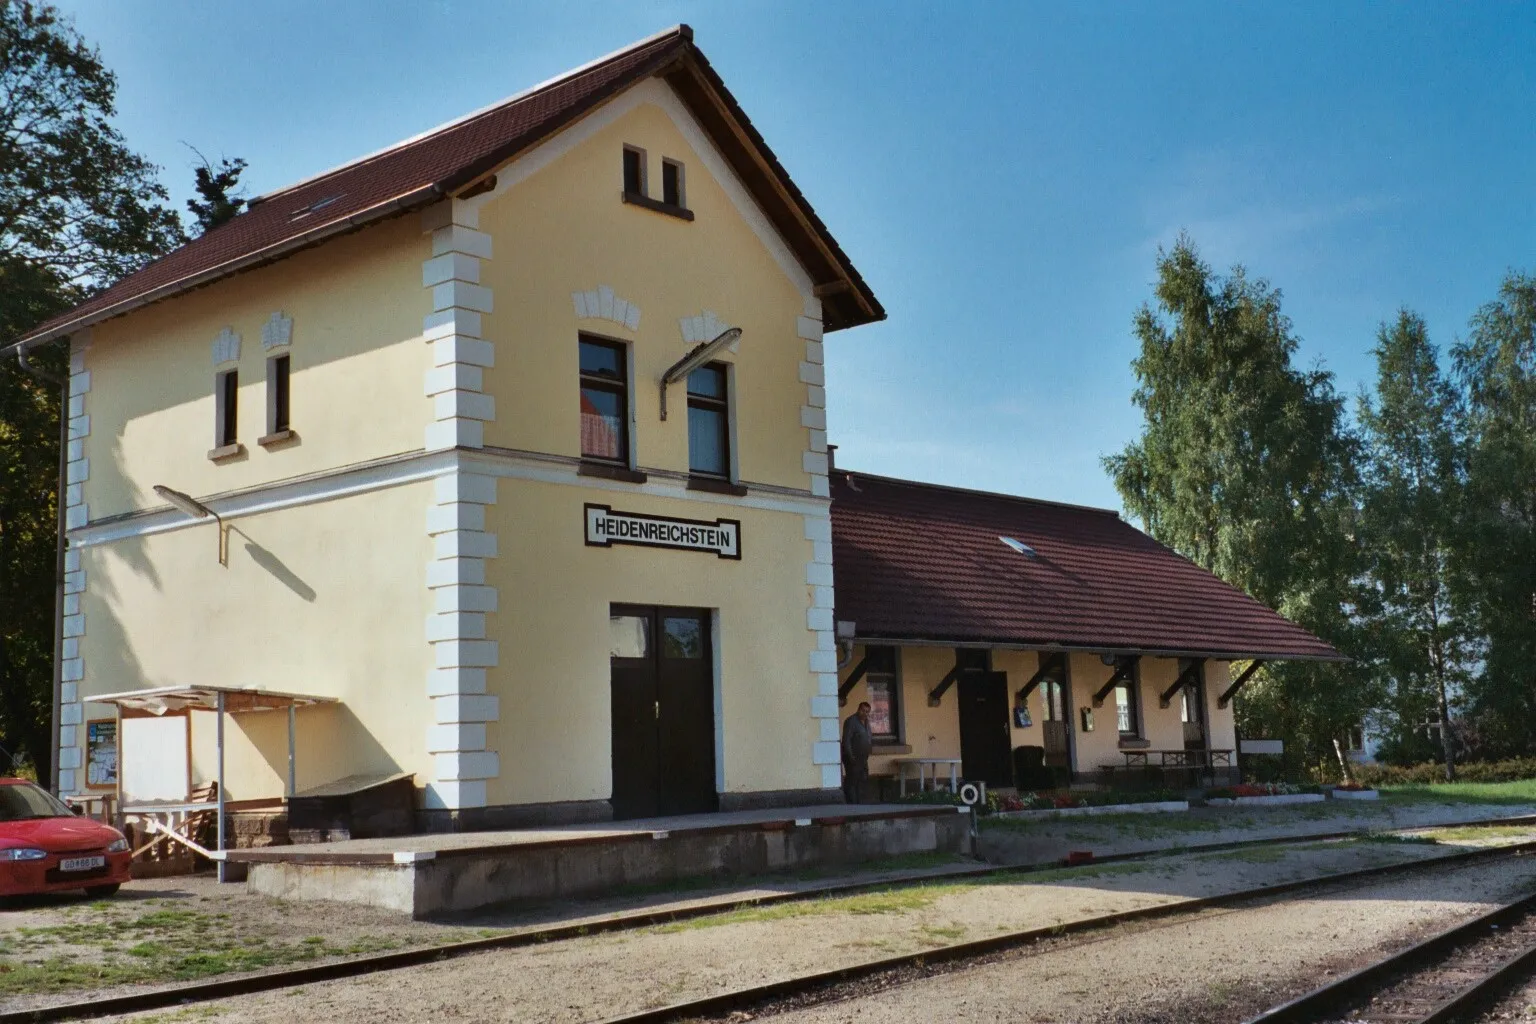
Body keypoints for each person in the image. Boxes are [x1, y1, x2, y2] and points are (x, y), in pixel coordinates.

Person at [841, 701, 873, 804]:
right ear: (858, 709)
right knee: (852, 782)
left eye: (867, 711)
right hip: (853, 758)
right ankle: (852, 806)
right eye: (863, 710)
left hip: (863, 758)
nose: (865, 713)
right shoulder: (851, 721)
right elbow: (846, 740)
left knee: (862, 781)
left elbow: (868, 738)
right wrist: (851, 757)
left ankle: (860, 805)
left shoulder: (867, 723)